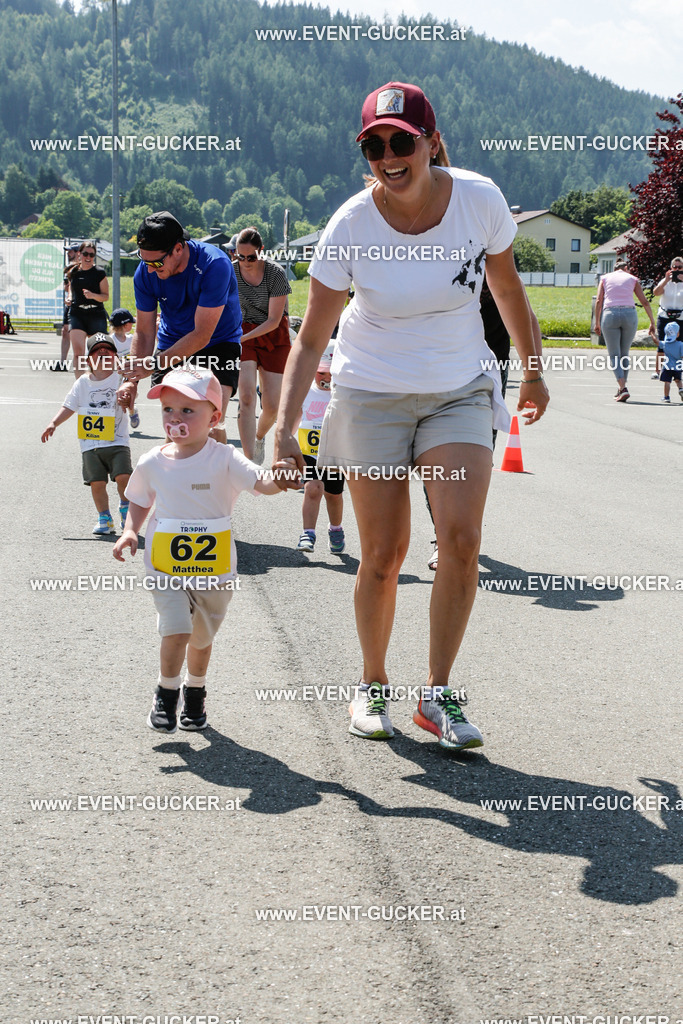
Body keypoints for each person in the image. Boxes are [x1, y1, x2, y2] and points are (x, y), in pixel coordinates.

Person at [273, 81, 549, 750]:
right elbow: (310, 337)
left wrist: (534, 369)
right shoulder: (349, 227)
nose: (388, 156)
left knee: (459, 541)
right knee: (385, 553)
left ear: (430, 141)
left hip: (457, 388)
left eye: (401, 141)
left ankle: (436, 694)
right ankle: (370, 685)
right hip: (370, 392)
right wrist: (284, 431)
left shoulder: (478, 201)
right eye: (373, 145)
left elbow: (506, 287)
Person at [112, 366, 290, 734]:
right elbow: (141, 500)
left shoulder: (224, 457)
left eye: (188, 411)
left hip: (214, 568)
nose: (175, 419)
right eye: (168, 410)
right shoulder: (151, 461)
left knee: (202, 636)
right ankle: (166, 692)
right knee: (176, 628)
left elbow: (261, 482)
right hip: (165, 565)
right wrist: (130, 531)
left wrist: (282, 478)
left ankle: (195, 691)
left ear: (215, 417)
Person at [427, 275, 543, 570]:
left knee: (476, 459)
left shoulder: (500, 272)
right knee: (432, 456)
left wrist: (534, 377)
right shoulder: (442, 264)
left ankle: (462, 534)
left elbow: (528, 321)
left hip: (487, 377)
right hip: (436, 370)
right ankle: (444, 537)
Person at [118, 211, 242, 446]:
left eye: (156, 263)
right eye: (144, 262)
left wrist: (153, 364)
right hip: (172, 342)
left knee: (210, 426)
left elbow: (201, 335)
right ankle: (174, 481)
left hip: (217, 343)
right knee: (176, 430)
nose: (150, 270)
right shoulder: (145, 273)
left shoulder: (214, 264)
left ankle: (221, 480)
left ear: (178, 248)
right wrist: (131, 380)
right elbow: (144, 331)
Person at [41, 333, 132, 534]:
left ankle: (126, 509)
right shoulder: (82, 383)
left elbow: (131, 398)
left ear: (116, 357)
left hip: (117, 442)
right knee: (97, 483)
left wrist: (127, 400)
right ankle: (104, 517)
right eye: (97, 352)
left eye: (107, 352)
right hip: (90, 445)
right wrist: (53, 423)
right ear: (88, 359)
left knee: (124, 477)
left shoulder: (121, 379)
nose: (103, 355)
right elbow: (69, 406)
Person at [233, 227, 292, 464]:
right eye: (240, 256)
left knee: (273, 406)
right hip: (242, 331)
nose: (246, 262)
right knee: (246, 396)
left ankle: (259, 436)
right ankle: (249, 461)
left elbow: (273, 320)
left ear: (261, 251)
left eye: (251, 257)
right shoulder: (230, 271)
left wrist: (242, 338)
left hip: (272, 334)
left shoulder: (275, 273)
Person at [295, 345, 346, 554]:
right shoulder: (305, 391)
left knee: (333, 494)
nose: (326, 377)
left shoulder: (341, 394)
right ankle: (308, 533)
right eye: (321, 372)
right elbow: (293, 419)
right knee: (312, 488)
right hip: (309, 452)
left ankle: (336, 529)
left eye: (331, 373)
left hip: (334, 453)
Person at [594, 258, 656, 401]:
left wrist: (597, 322)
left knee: (614, 354)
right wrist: (652, 321)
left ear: (614, 269)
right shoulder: (632, 279)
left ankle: (622, 387)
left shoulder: (605, 278)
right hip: (629, 314)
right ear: (626, 268)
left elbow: (599, 300)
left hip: (610, 313)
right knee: (624, 354)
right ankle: (622, 387)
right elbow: (644, 301)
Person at [68, 241, 109, 378]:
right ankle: (80, 384)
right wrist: (69, 297)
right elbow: (70, 288)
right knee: (78, 353)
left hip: (95, 313)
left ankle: (97, 380)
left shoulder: (99, 272)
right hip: (77, 313)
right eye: (85, 253)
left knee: (97, 351)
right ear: (79, 254)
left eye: (91, 255)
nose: (88, 257)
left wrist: (92, 296)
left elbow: (105, 296)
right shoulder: (73, 271)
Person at [652, 255, 683, 378]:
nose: (676, 269)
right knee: (661, 344)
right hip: (665, 315)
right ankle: (657, 371)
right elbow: (656, 293)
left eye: (680, 267)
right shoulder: (666, 282)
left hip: (681, 317)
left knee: (680, 344)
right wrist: (666, 280)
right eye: (674, 267)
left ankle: (678, 369)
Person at [109, 308, 140, 429]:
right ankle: (113, 421)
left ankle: (132, 412)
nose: (133, 325)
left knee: (128, 395)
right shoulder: (111, 340)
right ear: (126, 325)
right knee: (113, 398)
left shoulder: (131, 339)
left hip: (129, 375)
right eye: (131, 323)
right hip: (115, 374)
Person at [52, 244, 79, 372]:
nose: (68, 254)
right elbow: (67, 286)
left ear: (78, 253)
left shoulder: (82, 268)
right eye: (68, 251)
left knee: (78, 334)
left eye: (71, 251)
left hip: (79, 304)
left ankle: (79, 362)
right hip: (69, 304)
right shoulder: (68, 268)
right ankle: (62, 362)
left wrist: (71, 295)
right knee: (65, 331)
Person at [659, 321, 683, 403]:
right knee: (678, 380)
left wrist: (652, 334)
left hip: (667, 366)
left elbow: (657, 342)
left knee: (667, 382)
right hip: (678, 366)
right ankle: (681, 389)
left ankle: (666, 397)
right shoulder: (680, 344)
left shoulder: (665, 344)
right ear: (678, 334)